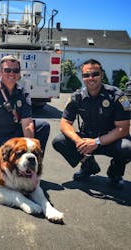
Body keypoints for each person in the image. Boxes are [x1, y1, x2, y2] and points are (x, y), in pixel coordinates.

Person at [52, 59, 131, 189]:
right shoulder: (77, 96)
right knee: (59, 141)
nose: (91, 78)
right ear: (82, 77)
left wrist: (96, 142)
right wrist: (78, 141)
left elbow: (123, 129)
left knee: (127, 147)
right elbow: (65, 123)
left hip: (110, 140)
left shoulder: (117, 96)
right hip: (86, 139)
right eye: (86, 75)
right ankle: (88, 165)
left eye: (95, 74)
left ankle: (115, 174)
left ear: (102, 74)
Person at [0, 55, 50, 169]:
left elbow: (27, 124)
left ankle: (33, 164)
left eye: (15, 70)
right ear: (0, 71)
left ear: (19, 73)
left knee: (43, 126)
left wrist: (30, 150)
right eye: (7, 70)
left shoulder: (22, 93)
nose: (11, 73)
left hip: (15, 135)